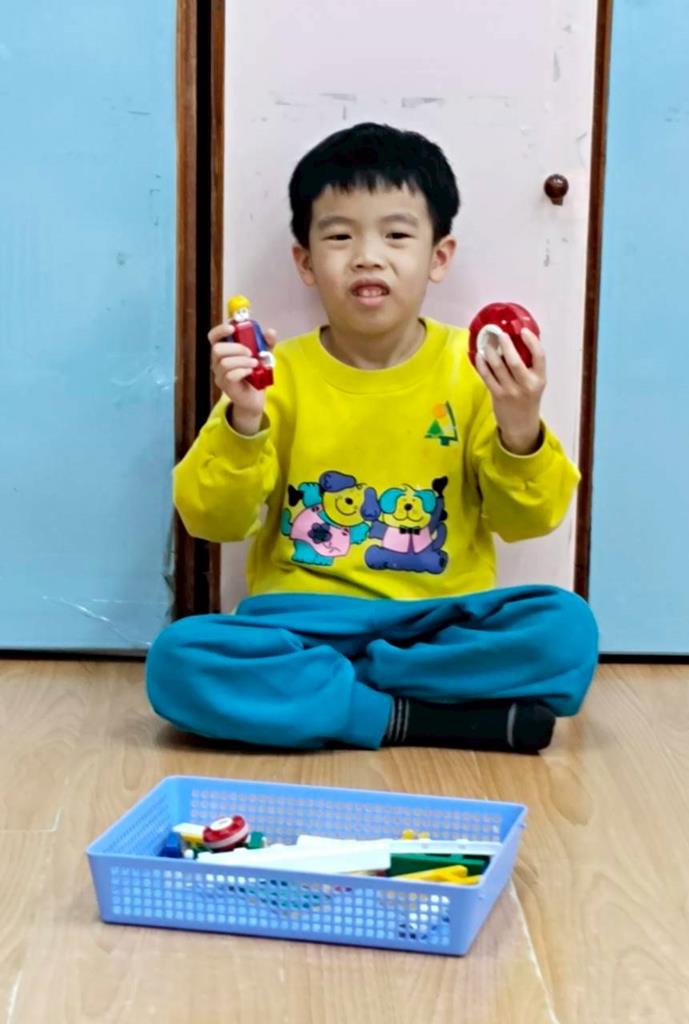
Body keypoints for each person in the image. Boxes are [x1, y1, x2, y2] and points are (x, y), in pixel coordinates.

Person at [146, 122, 598, 754]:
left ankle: (338, 694)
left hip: (436, 624)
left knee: (566, 629)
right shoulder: (276, 375)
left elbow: (529, 520)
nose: (367, 256)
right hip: (299, 625)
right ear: (305, 262)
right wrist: (243, 420)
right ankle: (414, 717)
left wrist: (519, 423)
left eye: (396, 235)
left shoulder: (473, 368)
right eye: (339, 236)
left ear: (439, 256)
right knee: (178, 659)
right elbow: (211, 519)